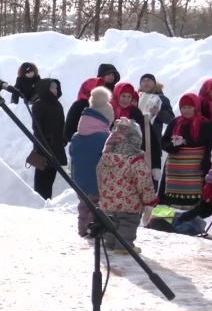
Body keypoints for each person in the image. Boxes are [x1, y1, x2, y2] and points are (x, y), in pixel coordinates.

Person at [96, 118, 158, 253]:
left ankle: (110, 243)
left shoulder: (105, 158)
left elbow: (99, 176)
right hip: (129, 203)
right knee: (127, 223)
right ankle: (124, 246)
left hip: (109, 201)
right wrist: (149, 201)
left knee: (111, 222)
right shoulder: (134, 160)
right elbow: (144, 182)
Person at [68, 87, 114, 237]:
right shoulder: (106, 138)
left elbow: (72, 154)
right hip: (98, 182)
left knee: (83, 207)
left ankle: (82, 230)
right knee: (96, 209)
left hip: (80, 181)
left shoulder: (76, 137)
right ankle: (91, 231)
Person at [159, 94, 212, 207]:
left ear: (196, 107)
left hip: (196, 171)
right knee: (171, 203)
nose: (186, 110)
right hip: (174, 173)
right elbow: (163, 142)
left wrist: (206, 162)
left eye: (189, 107)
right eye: (183, 107)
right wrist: (172, 146)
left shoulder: (206, 125)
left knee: (194, 203)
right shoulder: (174, 123)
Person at [30, 77, 66, 200]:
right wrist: (41, 146)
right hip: (44, 148)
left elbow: (62, 124)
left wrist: (63, 139)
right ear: (45, 88)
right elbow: (37, 128)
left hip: (56, 147)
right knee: (42, 179)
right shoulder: (39, 104)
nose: (55, 90)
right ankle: (39, 202)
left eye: (56, 88)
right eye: (52, 88)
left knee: (50, 178)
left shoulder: (57, 104)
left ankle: (46, 200)